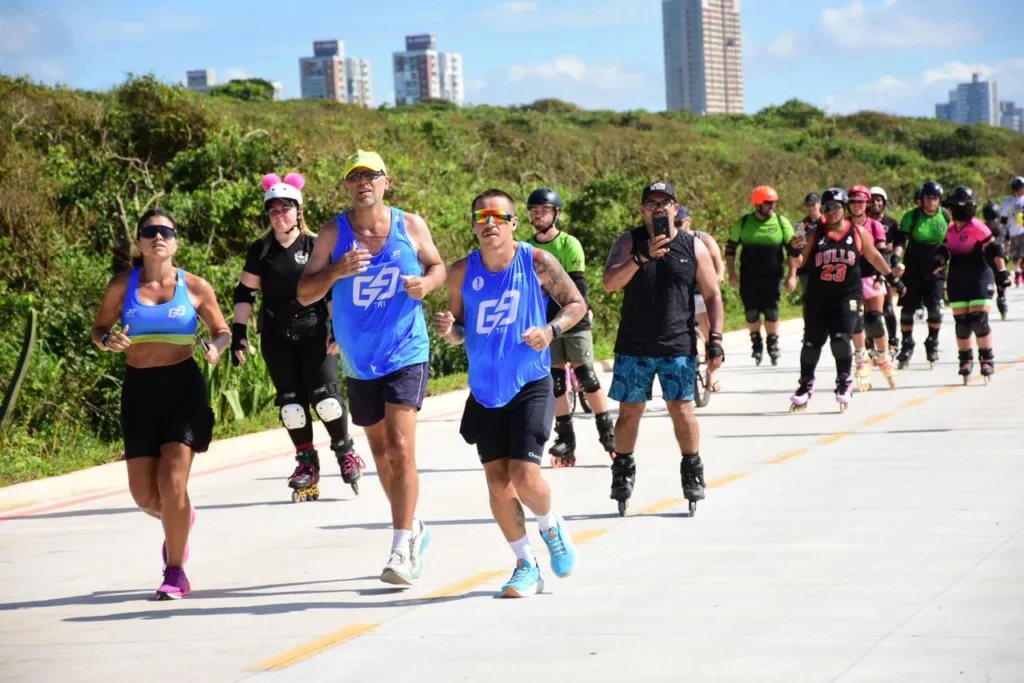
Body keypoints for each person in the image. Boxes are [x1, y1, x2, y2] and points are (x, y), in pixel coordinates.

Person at [297, 150, 446, 586]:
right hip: (360, 360)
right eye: (355, 176)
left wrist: (427, 283)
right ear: (347, 186)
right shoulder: (332, 233)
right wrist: (337, 271)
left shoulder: (410, 225)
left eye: (371, 175)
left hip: (405, 350)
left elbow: (437, 265)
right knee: (380, 453)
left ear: (386, 181)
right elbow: (305, 293)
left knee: (401, 449)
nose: (364, 182)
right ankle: (413, 526)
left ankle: (402, 547)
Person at [435, 189, 584, 598]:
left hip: (530, 382)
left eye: (498, 217)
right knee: (498, 483)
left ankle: (551, 526)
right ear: (472, 225)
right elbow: (461, 329)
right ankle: (525, 565)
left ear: (513, 222)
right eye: (480, 217)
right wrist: (451, 331)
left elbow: (576, 304)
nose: (489, 224)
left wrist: (549, 330)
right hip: (485, 389)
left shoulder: (536, 261)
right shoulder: (461, 271)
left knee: (525, 474)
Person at [91, 208, 230, 600]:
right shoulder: (122, 285)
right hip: (139, 391)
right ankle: (180, 518)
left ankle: (175, 571)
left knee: (172, 483)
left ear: (176, 241)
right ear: (139, 242)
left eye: (166, 231)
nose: (158, 237)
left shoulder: (195, 286)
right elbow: (98, 328)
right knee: (144, 495)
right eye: (150, 231)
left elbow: (221, 330)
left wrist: (216, 350)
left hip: (183, 388)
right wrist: (106, 341)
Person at [231, 172, 363, 502]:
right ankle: (306, 463)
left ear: (299, 211)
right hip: (276, 333)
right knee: (292, 406)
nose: (279, 215)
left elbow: (333, 290)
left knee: (327, 400)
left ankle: (345, 451)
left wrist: (338, 331)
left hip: (316, 330)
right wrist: (238, 333)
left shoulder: (315, 244)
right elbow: (245, 292)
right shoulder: (261, 250)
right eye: (273, 210)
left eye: (286, 209)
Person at [602, 181, 724, 517]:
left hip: (678, 345)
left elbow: (713, 294)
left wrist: (716, 339)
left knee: (682, 410)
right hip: (634, 344)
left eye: (665, 202)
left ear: (675, 208)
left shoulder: (693, 246)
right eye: (652, 203)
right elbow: (610, 282)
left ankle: (692, 469)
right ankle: (623, 470)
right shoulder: (629, 242)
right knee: (630, 413)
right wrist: (641, 258)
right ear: (642, 210)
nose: (658, 208)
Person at [788, 189, 904, 413]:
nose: (830, 212)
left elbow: (875, 257)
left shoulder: (858, 232)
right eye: (826, 208)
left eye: (835, 207)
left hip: (847, 296)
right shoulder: (811, 232)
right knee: (811, 344)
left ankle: (843, 382)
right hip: (817, 297)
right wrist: (794, 250)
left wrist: (893, 279)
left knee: (841, 340)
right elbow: (800, 261)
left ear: (844, 208)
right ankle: (805, 385)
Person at [525, 188, 615, 467]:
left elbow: (578, 287)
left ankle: (608, 432)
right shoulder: (526, 248)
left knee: (586, 376)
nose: (539, 215)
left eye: (544, 210)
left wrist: (579, 314)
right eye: (534, 210)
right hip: (545, 323)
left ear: (556, 214)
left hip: (572, 320)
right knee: (556, 383)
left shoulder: (569, 244)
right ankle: (566, 439)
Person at [943, 187, 1012, 383]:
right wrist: (938, 262)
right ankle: (965, 360)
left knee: (979, 320)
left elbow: (995, 248)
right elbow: (944, 251)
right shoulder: (950, 230)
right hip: (957, 278)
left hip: (980, 276)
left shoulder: (976, 226)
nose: (951, 211)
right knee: (962, 326)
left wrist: (1002, 272)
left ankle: (987, 358)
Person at [726, 186, 800, 366]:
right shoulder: (743, 223)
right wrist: (731, 274)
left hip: (773, 276)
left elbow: (794, 251)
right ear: (757, 204)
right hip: (749, 276)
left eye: (774, 203)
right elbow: (730, 250)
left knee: (771, 311)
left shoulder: (782, 222)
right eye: (768, 204)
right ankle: (756, 342)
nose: (772, 207)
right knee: (751, 312)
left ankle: (773, 344)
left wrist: (792, 276)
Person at [893, 181, 949, 369]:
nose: (931, 202)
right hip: (913, 266)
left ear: (939, 200)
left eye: (934, 198)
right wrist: (895, 258)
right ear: (922, 200)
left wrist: (946, 256)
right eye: (927, 198)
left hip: (935, 268)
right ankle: (907, 344)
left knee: (934, 309)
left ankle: (932, 342)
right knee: (907, 309)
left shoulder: (945, 216)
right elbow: (901, 239)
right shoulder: (912, 216)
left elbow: (951, 241)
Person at [848, 185, 897, 391]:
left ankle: (884, 357)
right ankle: (861, 359)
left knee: (876, 319)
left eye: (860, 202)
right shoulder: (843, 225)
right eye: (853, 202)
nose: (857, 206)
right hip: (850, 281)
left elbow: (882, 253)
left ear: (866, 203)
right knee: (856, 320)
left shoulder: (875, 225)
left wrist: (883, 275)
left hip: (871, 278)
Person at [676, 206, 725, 392]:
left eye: (679, 223)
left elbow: (717, 259)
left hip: (701, 288)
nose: (676, 227)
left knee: (707, 324)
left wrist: (719, 275)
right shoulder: (668, 239)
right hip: (680, 290)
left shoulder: (702, 238)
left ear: (688, 221)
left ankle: (712, 373)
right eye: (673, 223)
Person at [867, 187, 902, 357]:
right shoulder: (861, 222)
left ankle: (893, 340)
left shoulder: (892, 223)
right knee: (866, 311)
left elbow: (900, 242)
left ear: (884, 202)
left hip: (884, 267)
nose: (875, 203)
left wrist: (895, 258)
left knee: (887, 308)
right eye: (872, 200)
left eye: (879, 199)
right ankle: (868, 341)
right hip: (865, 269)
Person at [982, 200, 1009, 319]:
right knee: (1001, 287)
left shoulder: (982, 226)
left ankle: (982, 314)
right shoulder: (1003, 226)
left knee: (985, 288)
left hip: (985, 260)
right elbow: (1008, 243)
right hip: (1000, 260)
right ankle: (1003, 311)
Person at [795, 192, 822, 297]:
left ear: (819, 204)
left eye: (813, 204)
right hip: (807, 269)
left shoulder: (829, 221)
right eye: (808, 205)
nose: (811, 208)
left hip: (825, 267)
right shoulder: (800, 225)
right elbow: (798, 249)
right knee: (809, 298)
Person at [999, 176, 1024, 286]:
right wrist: (1004, 235)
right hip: (1012, 232)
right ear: (1017, 188)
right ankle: (1018, 271)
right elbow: (1003, 220)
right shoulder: (1007, 203)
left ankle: (1019, 272)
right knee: (1016, 255)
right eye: (1022, 187)